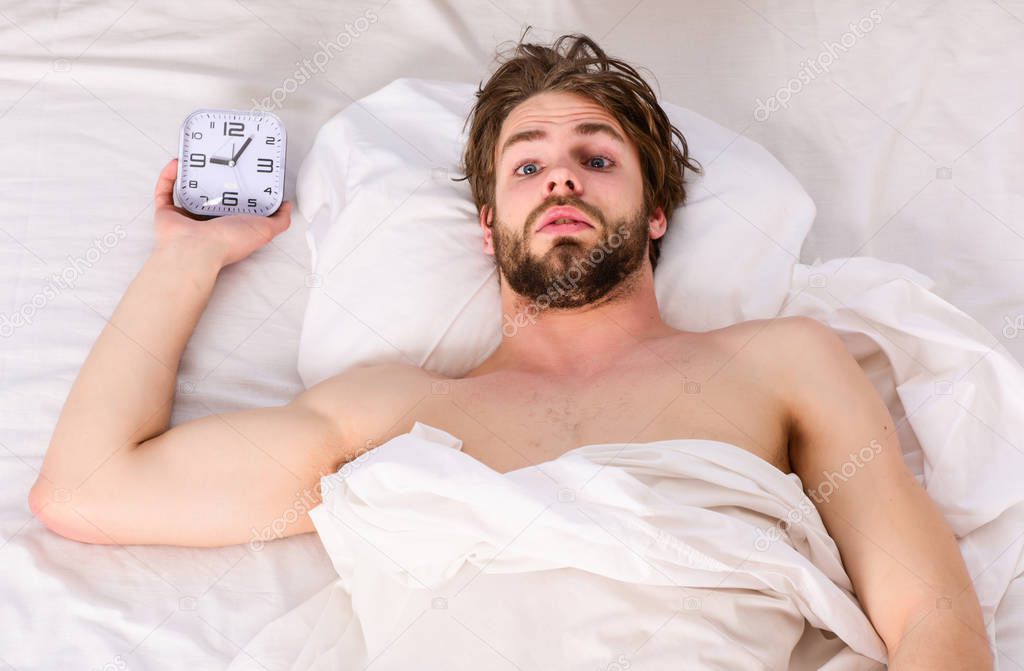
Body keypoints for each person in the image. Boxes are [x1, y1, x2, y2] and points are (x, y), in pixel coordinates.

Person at [29, 32, 991, 668]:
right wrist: (187, 258)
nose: (562, 173)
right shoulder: (383, 409)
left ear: (655, 214)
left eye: (596, 156)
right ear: (488, 229)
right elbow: (86, 492)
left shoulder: (784, 362)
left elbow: (929, 616)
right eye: (527, 163)